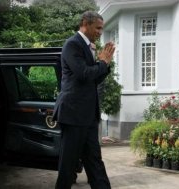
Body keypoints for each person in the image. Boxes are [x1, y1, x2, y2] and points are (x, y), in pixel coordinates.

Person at [53, 11, 115, 189]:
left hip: (88, 117)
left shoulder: (89, 46)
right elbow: (84, 74)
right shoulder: (72, 44)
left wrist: (105, 64)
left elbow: (93, 80)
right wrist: (102, 63)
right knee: (68, 166)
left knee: (95, 162)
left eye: (101, 28)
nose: (100, 32)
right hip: (73, 115)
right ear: (85, 24)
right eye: (98, 28)